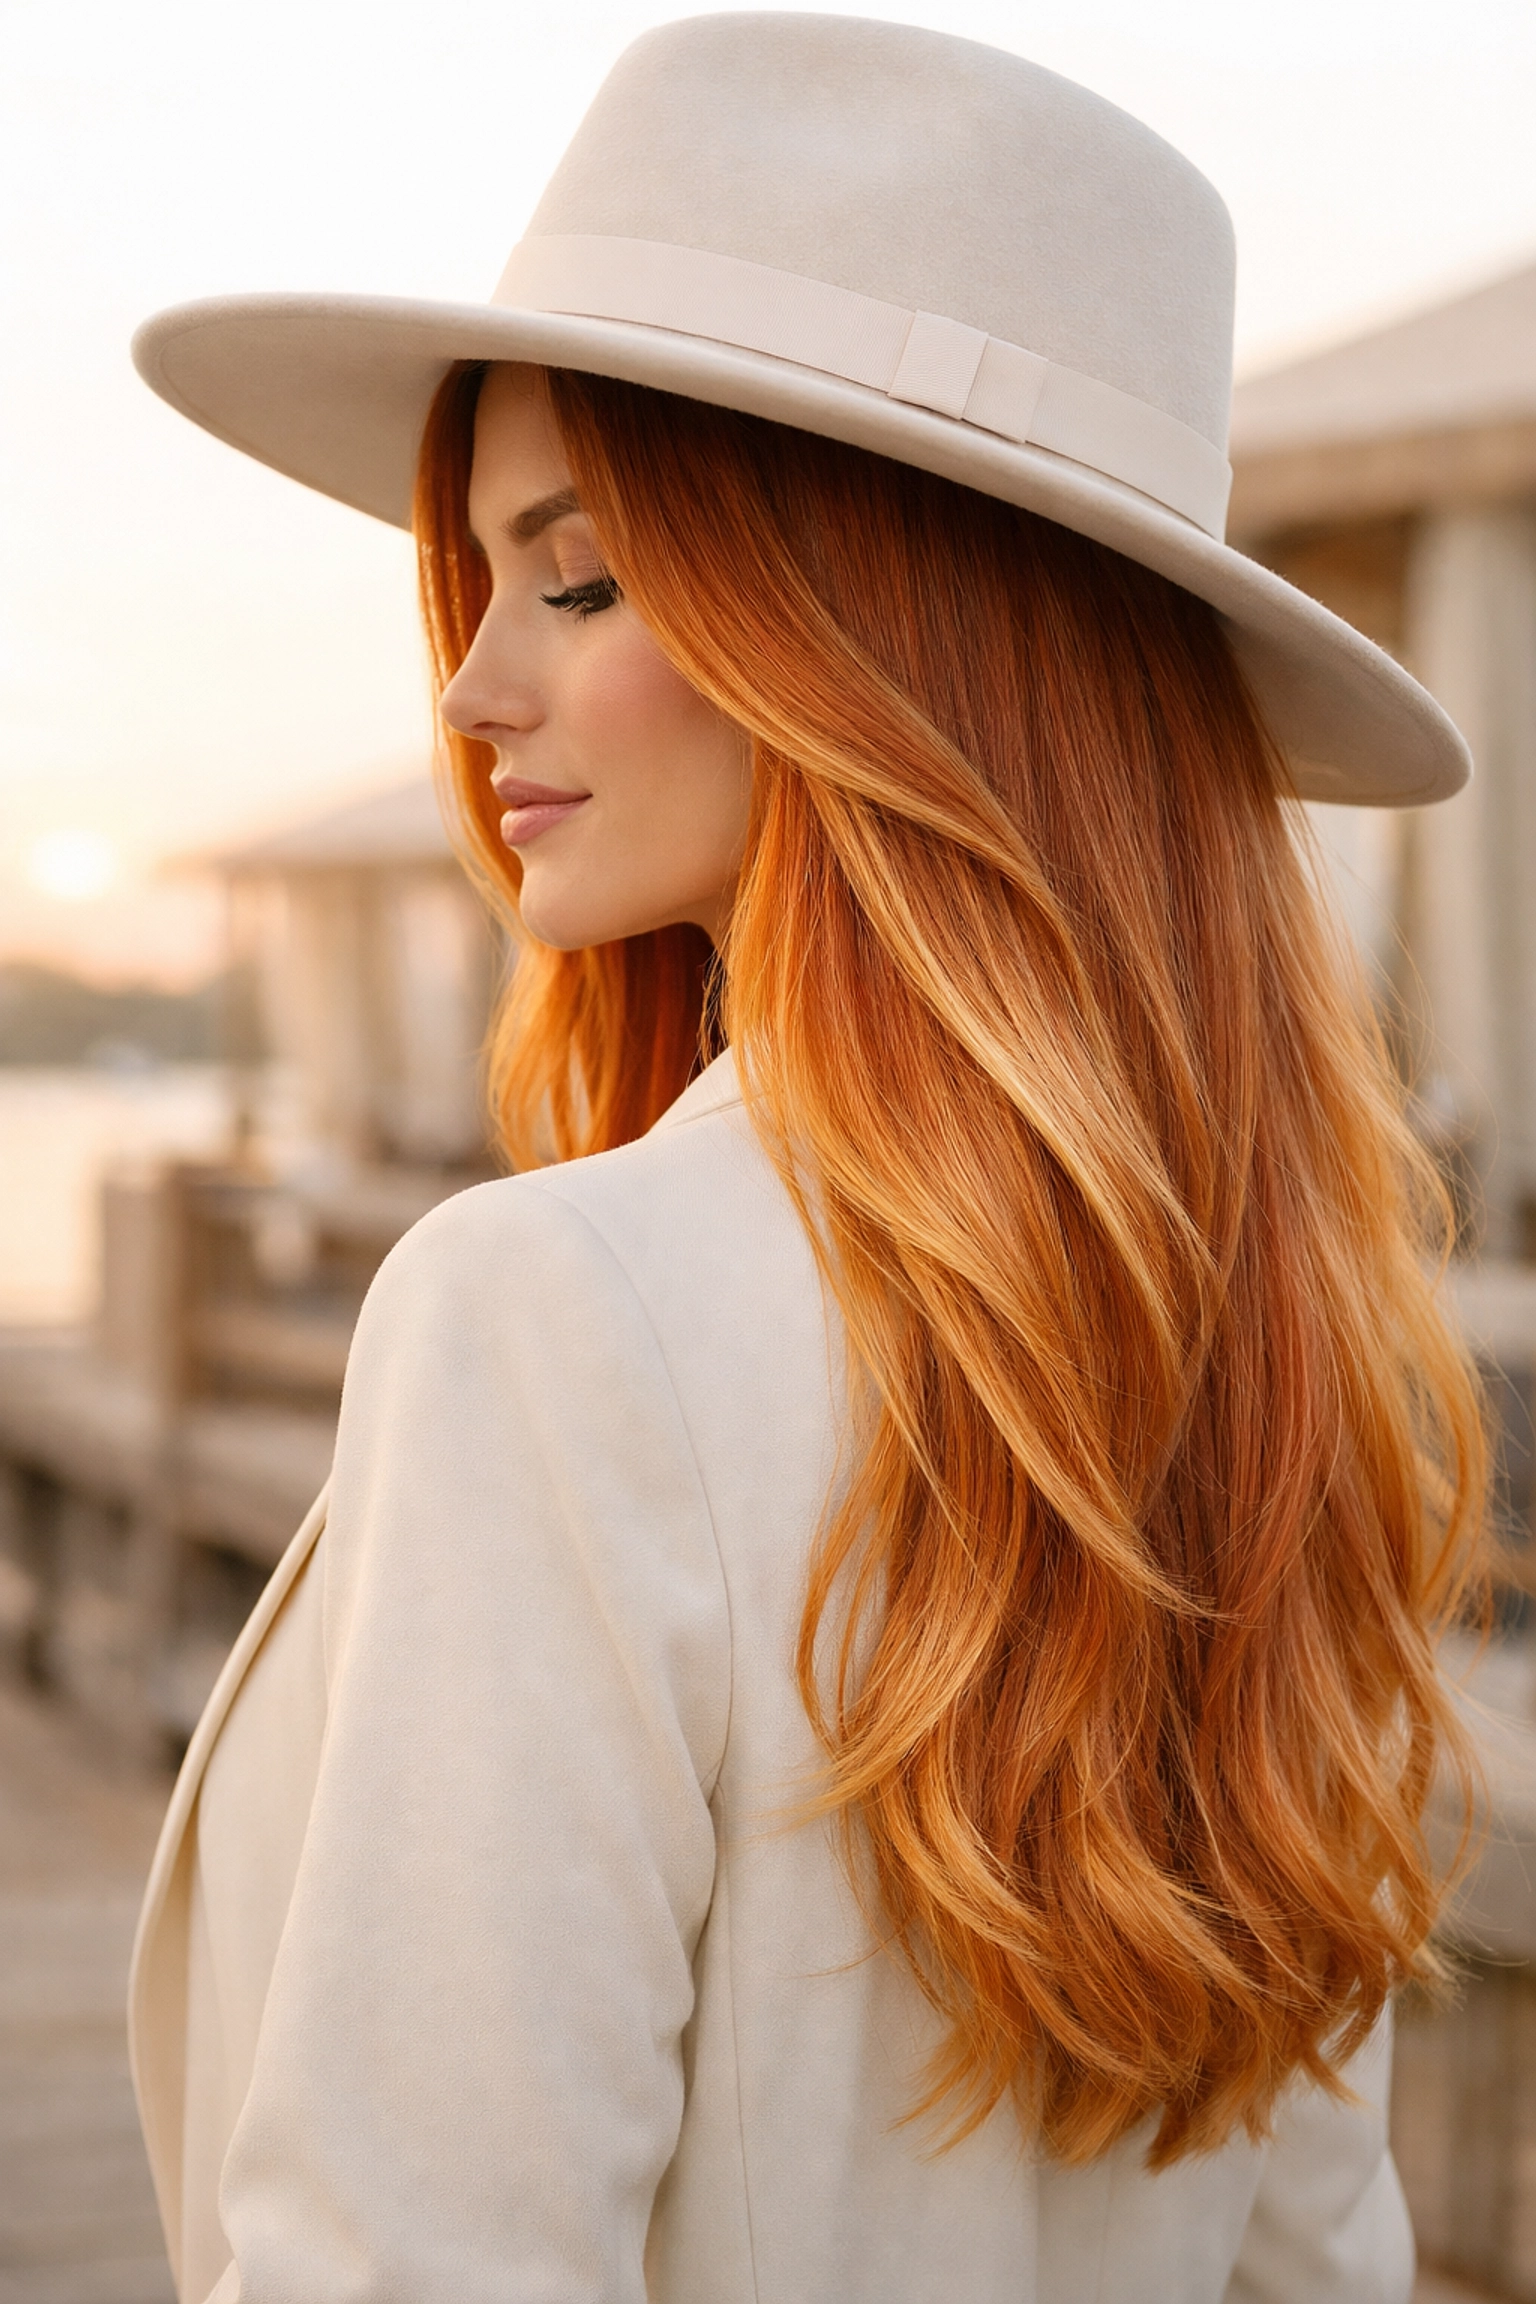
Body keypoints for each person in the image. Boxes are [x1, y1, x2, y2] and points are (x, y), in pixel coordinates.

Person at [128, 17, 1486, 2302]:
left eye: (577, 582)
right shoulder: (1268, 1358)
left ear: (877, 640)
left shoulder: (560, 1308)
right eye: (477, 584)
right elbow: (1312, 2266)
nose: (470, 690)